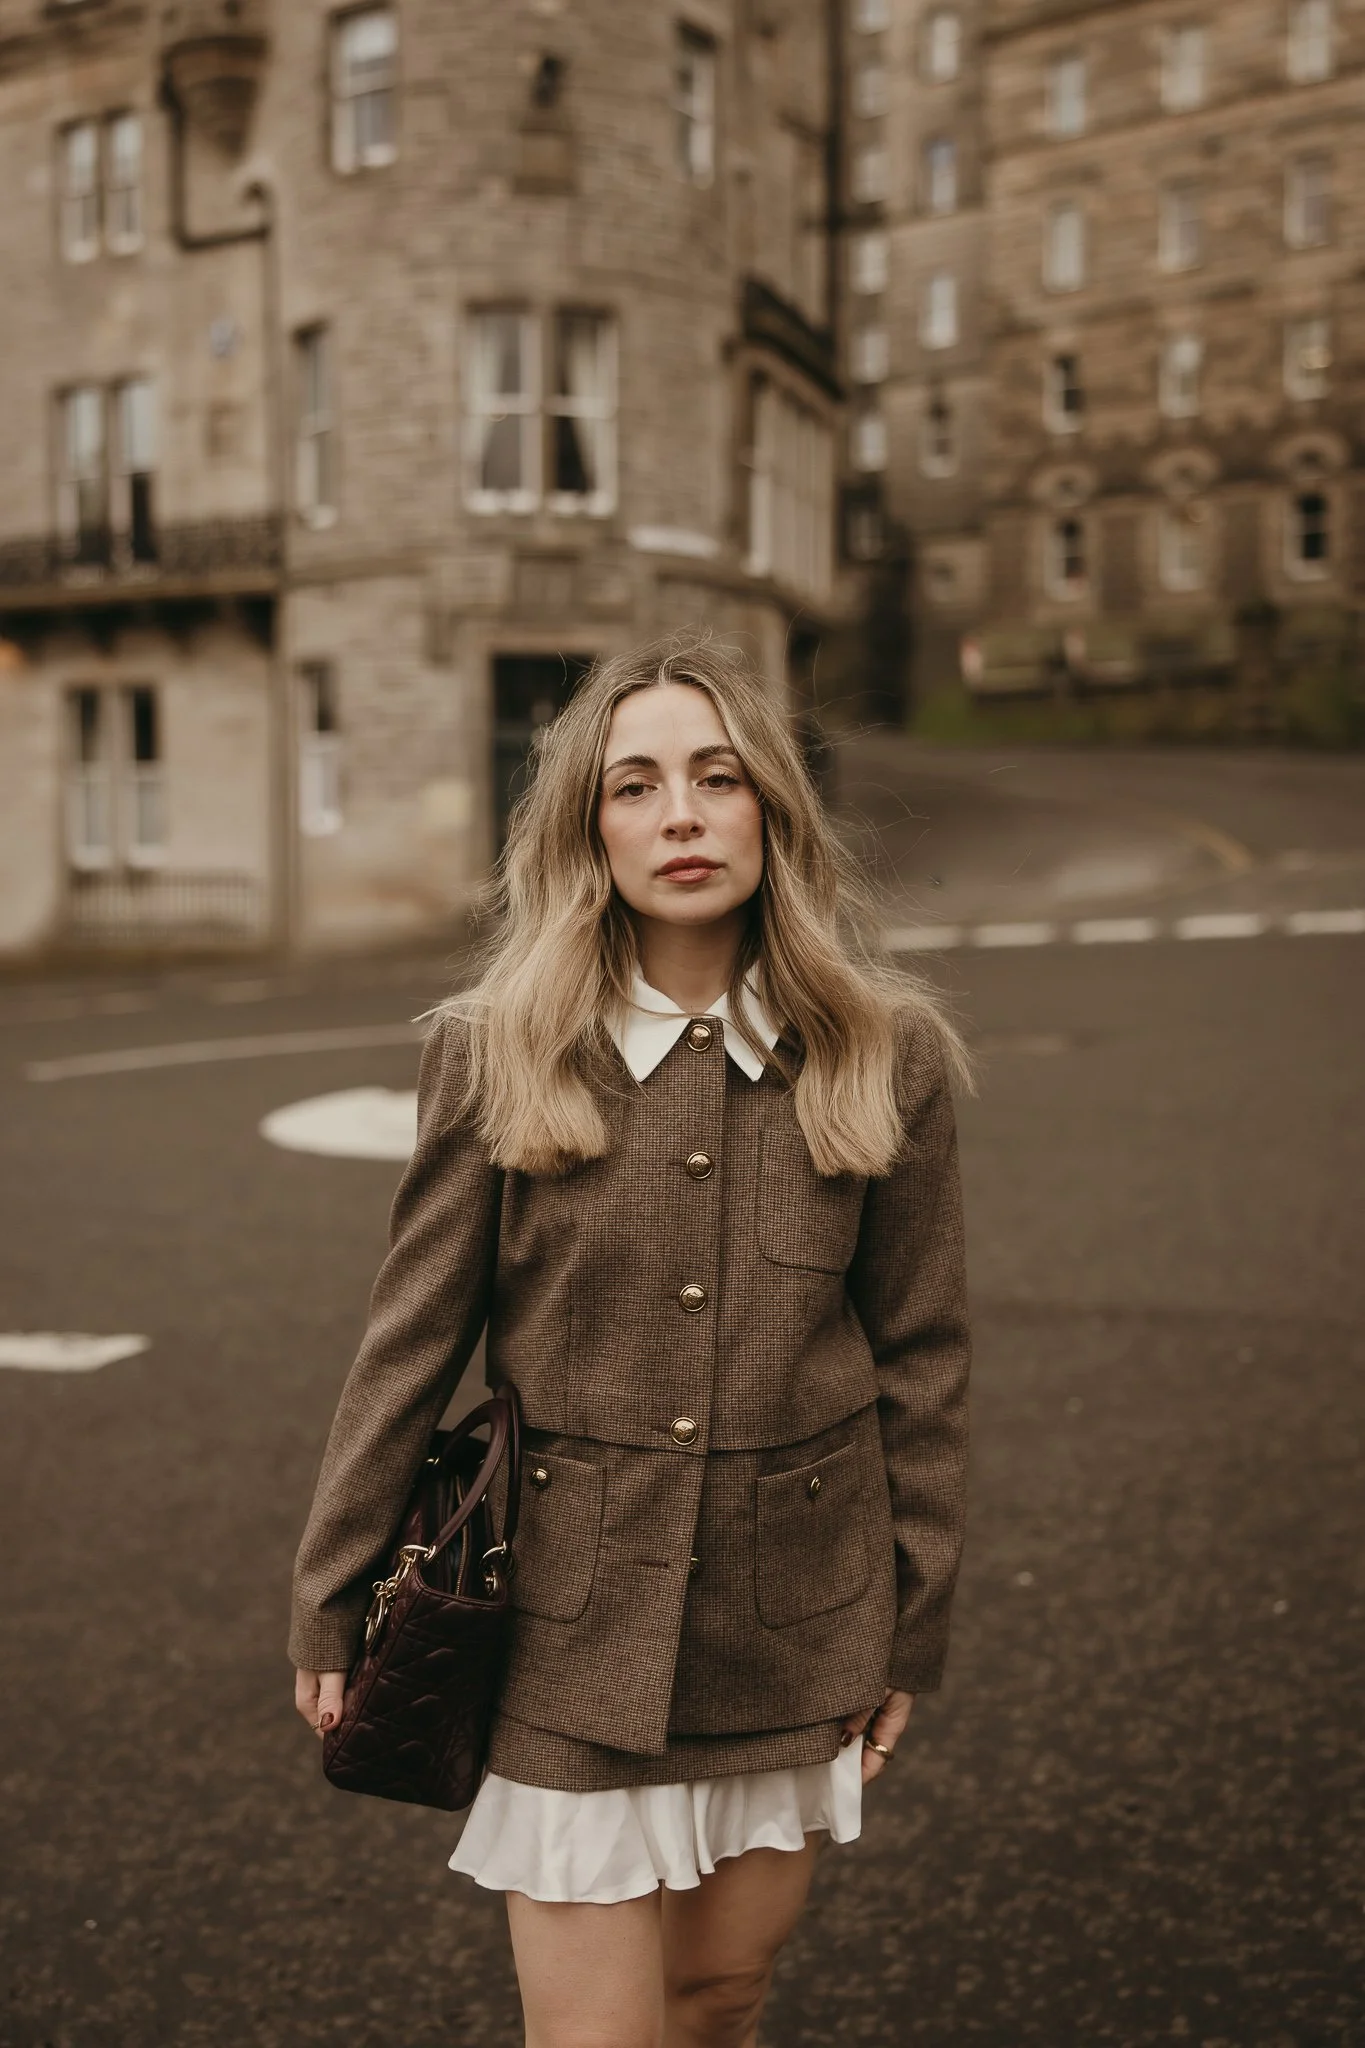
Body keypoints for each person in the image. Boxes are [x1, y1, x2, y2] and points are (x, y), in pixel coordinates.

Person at [290, 639, 971, 2048]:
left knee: (721, 1997)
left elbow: (921, 1356)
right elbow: (409, 1344)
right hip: (564, 1619)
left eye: (718, 780)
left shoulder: (883, 1055)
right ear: (587, 829)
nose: (680, 815)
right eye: (637, 785)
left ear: (772, 813)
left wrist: (916, 1619)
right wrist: (333, 1588)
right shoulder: (499, 1052)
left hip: (799, 1618)